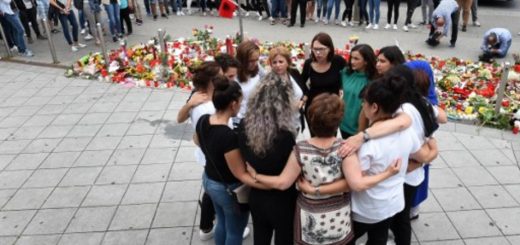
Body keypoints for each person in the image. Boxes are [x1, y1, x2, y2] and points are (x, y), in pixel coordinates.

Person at [247, 93, 401, 245]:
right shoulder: (346, 149)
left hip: (309, 216)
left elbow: (282, 183)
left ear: (311, 119)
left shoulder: (300, 149)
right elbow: (355, 183)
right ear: (338, 121)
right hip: (338, 217)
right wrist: (388, 173)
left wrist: (256, 175)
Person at [348, 75, 438, 245]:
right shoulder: (407, 131)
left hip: (367, 207)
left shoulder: (367, 146)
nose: (362, 105)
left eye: (364, 103)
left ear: (374, 107)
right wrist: (433, 147)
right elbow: (422, 155)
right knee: (378, 239)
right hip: (392, 203)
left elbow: (357, 182)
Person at [195, 76, 266, 245]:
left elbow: (197, 140)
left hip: (208, 181)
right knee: (235, 232)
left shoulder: (203, 120)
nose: (241, 105)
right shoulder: (227, 137)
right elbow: (240, 174)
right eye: (240, 102)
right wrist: (268, 184)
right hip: (227, 189)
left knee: (222, 222)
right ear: (233, 104)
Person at [237, 72, 299, 245]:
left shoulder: (244, 127)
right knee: (284, 238)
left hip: (257, 197)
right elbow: (289, 173)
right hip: (283, 199)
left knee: (261, 237)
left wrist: (255, 175)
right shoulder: (285, 137)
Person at [301, 32, 346, 135]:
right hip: (313, 109)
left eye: (321, 49)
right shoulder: (309, 63)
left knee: (330, 137)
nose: (317, 53)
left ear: (329, 48)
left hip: (332, 109)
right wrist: (306, 95)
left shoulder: (338, 61)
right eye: (315, 49)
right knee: (315, 136)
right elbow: (301, 82)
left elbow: (349, 76)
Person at [340, 44, 378, 139]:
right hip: (344, 123)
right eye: (351, 58)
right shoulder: (346, 73)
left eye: (356, 59)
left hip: (361, 127)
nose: (352, 61)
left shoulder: (373, 80)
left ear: (366, 61)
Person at [266, 46, 306, 130]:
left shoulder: (294, 73)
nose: (278, 65)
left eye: (281, 62)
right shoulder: (269, 81)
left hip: (296, 122)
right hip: (280, 127)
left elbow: (304, 91)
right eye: (274, 62)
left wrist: (302, 101)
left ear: (288, 62)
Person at [235, 40, 265, 124]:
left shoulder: (258, 68)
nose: (255, 63)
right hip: (241, 120)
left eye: (257, 60)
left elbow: (266, 79)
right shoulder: (234, 75)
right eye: (251, 61)